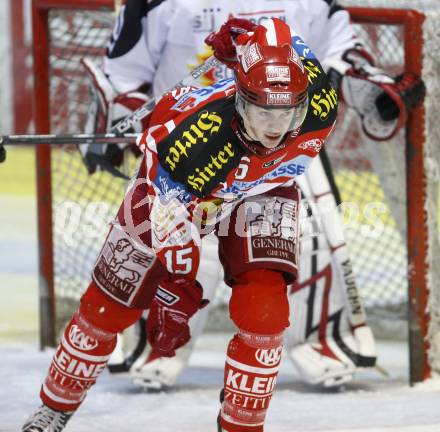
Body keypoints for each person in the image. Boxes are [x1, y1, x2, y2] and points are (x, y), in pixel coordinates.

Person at [81, 0, 423, 391]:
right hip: (191, 148)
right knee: (173, 247)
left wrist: (369, 86)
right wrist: (127, 123)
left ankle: (321, 343)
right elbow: (123, 72)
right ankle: (158, 349)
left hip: (282, 144)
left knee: (304, 242)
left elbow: (339, 52)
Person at [22, 16, 338, 432]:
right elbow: (171, 222)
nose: (275, 131)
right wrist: (180, 285)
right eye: (263, 114)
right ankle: (54, 408)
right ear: (241, 100)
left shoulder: (320, 102)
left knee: (264, 315)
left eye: (287, 114)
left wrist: (243, 38)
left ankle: (241, 427)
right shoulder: (190, 144)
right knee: (107, 307)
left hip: (264, 189)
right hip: (170, 197)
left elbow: (282, 35)